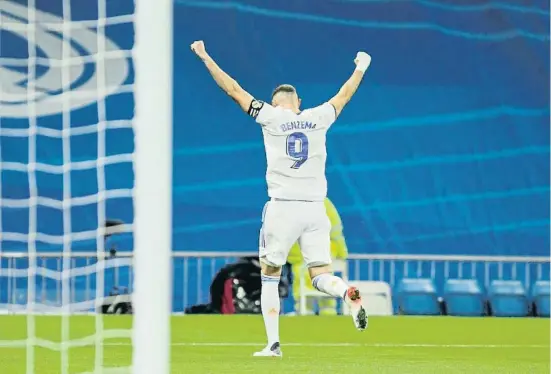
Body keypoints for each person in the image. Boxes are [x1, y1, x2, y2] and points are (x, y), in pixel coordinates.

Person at [190, 40, 371, 357]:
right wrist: (361, 67)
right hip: (316, 210)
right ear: (298, 102)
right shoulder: (318, 116)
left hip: (283, 208)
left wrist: (206, 57)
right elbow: (344, 95)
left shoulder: (269, 117)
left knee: (269, 276)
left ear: (275, 104)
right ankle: (346, 291)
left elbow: (233, 89)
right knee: (321, 274)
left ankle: (273, 345)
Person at [287, 197, 348, 315]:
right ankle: (327, 323)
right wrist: (341, 253)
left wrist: (291, 257)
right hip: (323, 257)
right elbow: (336, 230)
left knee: (305, 303)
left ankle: (308, 321)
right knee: (326, 302)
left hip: (303, 260)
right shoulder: (323, 202)